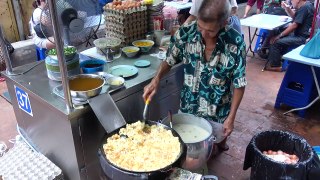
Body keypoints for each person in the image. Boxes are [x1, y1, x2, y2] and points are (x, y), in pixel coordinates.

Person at [143, 0, 246, 151]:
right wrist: (155, 79)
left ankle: (221, 145)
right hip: (189, 106)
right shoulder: (187, 32)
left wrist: (231, 118)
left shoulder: (235, 43)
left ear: (224, 23)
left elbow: (239, 83)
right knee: (187, 150)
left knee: (218, 142)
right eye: (200, 26)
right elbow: (169, 59)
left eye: (210, 31)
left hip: (217, 110)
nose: (203, 34)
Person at [260, 0, 314, 71]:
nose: (291, 2)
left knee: (276, 41)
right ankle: (275, 57)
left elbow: (294, 25)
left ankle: (275, 65)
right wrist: (287, 9)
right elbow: (296, 17)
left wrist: (279, 36)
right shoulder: (306, 6)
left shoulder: (305, 8)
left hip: (302, 37)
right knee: (278, 33)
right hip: (302, 35)